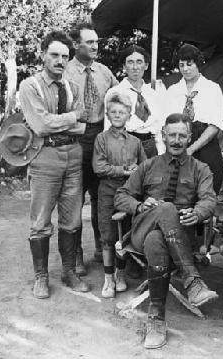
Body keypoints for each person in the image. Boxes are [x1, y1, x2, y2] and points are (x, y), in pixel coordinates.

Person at [115, 113, 218, 349]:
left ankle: (156, 319)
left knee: (156, 241)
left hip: (180, 235)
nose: (177, 140)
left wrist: (199, 213)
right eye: (172, 135)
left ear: (190, 137)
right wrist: (140, 206)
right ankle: (192, 280)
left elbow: (209, 200)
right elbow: (121, 195)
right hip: (142, 229)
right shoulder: (148, 165)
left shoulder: (200, 168)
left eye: (182, 135)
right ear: (163, 135)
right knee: (165, 210)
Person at [19, 30, 91, 299]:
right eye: (54, 55)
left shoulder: (73, 86)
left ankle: (69, 272)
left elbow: (84, 125)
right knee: (40, 221)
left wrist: (62, 122)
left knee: (72, 218)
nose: (60, 61)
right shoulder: (30, 86)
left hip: (73, 156)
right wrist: (71, 117)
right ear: (43, 55)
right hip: (44, 157)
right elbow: (39, 125)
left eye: (64, 56)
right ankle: (41, 277)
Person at [64, 22, 119, 273]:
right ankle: (76, 255)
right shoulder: (65, 72)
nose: (96, 46)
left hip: (100, 137)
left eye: (97, 41)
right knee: (75, 197)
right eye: (90, 42)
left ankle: (102, 246)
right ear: (76, 45)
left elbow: (122, 98)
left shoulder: (105, 72)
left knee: (102, 197)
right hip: (75, 138)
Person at [93, 94, 146, 298]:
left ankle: (120, 274)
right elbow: (99, 167)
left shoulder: (135, 142)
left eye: (121, 112)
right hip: (107, 191)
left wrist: (137, 170)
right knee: (108, 235)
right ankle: (108, 279)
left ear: (129, 115)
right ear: (107, 114)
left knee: (124, 235)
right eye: (113, 112)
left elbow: (145, 167)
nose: (117, 115)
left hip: (129, 193)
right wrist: (123, 171)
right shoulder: (101, 139)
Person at [166, 44, 223, 194]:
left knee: (208, 188)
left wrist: (192, 149)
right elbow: (167, 123)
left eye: (189, 64)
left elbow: (214, 125)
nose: (185, 69)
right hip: (179, 141)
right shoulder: (173, 91)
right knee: (181, 190)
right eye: (181, 65)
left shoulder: (212, 88)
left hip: (205, 143)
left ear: (198, 63)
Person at [104, 45, 166, 158]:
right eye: (130, 62)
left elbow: (159, 126)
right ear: (124, 66)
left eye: (139, 62)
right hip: (126, 145)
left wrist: (161, 152)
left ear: (146, 65)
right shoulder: (115, 93)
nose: (135, 67)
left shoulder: (153, 93)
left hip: (150, 146)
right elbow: (108, 128)